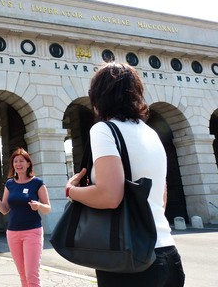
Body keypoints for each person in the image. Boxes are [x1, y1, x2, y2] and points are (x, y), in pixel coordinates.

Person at [65, 62, 185, 287]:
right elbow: (161, 198)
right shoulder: (151, 133)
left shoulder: (104, 129)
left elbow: (110, 196)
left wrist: (72, 190)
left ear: (99, 96)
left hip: (130, 262)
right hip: (168, 255)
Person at [0, 147, 51, 287]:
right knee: (23, 275)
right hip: (13, 233)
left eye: (21, 161)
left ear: (28, 163)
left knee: (32, 276)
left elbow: (48, 208)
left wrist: (39, 206)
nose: (18, 164)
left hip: (32, 232)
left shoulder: (37, 183)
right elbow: (5, 210)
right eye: (15, 162)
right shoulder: (10, 184)